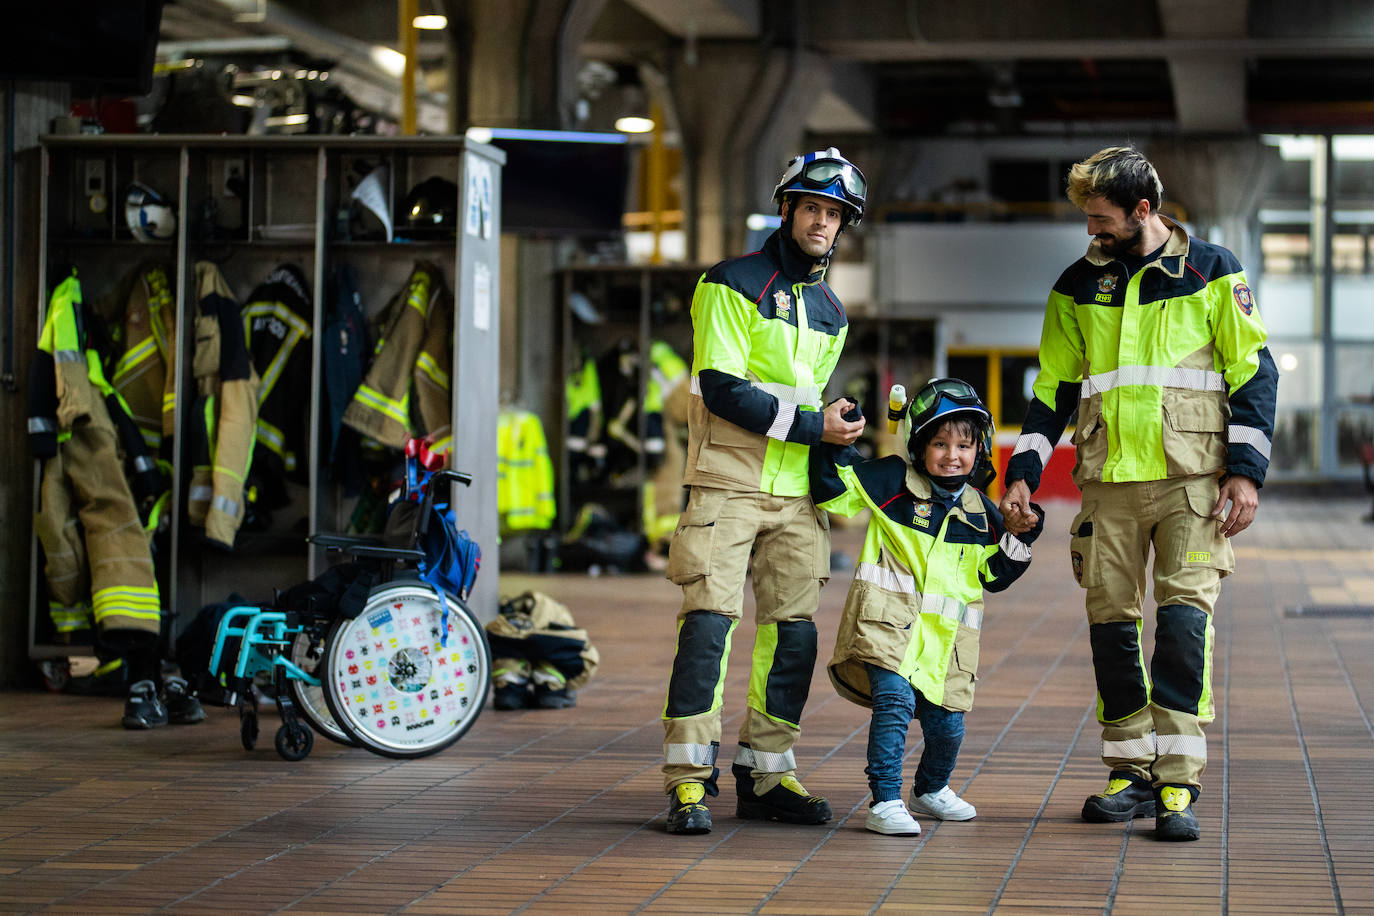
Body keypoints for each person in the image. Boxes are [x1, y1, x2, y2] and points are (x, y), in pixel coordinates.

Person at [998, 146, 1278, 842]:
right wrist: (1025, 471)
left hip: (1193, 484)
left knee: (1183, 629)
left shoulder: (1213, 272)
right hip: (1109, 487)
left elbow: (1254, 372)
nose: (1091, 230)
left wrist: (1245, 472)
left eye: (1100, 219)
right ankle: (1129, 770)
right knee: (1112, 629)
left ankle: (1177, 780)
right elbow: (1054, 391)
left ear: (1142, 211)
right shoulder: (1075, 286)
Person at [660, 147, 868, 834]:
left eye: (834, 214)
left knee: (794, 637)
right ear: (787, 209)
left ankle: (766, 771)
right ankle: (689, 780)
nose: (822, 222)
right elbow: (722, 388)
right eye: (812, 207)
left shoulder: (834, 312)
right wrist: (814, 426)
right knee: (709, 627)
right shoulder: (730, 283)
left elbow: (807, 400)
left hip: (795, 495)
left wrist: (836, 432)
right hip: (727, 480)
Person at [814, 379, 1043, 834]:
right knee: (895, 704)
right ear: (919, 445)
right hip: (888, 632)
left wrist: (1021, 536)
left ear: (980, 450)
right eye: (939, 443)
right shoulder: (892, 482)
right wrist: (834, 435)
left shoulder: (983, 514)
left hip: (946, 652)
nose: (952, 454)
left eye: (964, 444)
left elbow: (993, 577)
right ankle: (884, 800)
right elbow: (833, 489)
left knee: (947, 728)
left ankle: (930, 789)